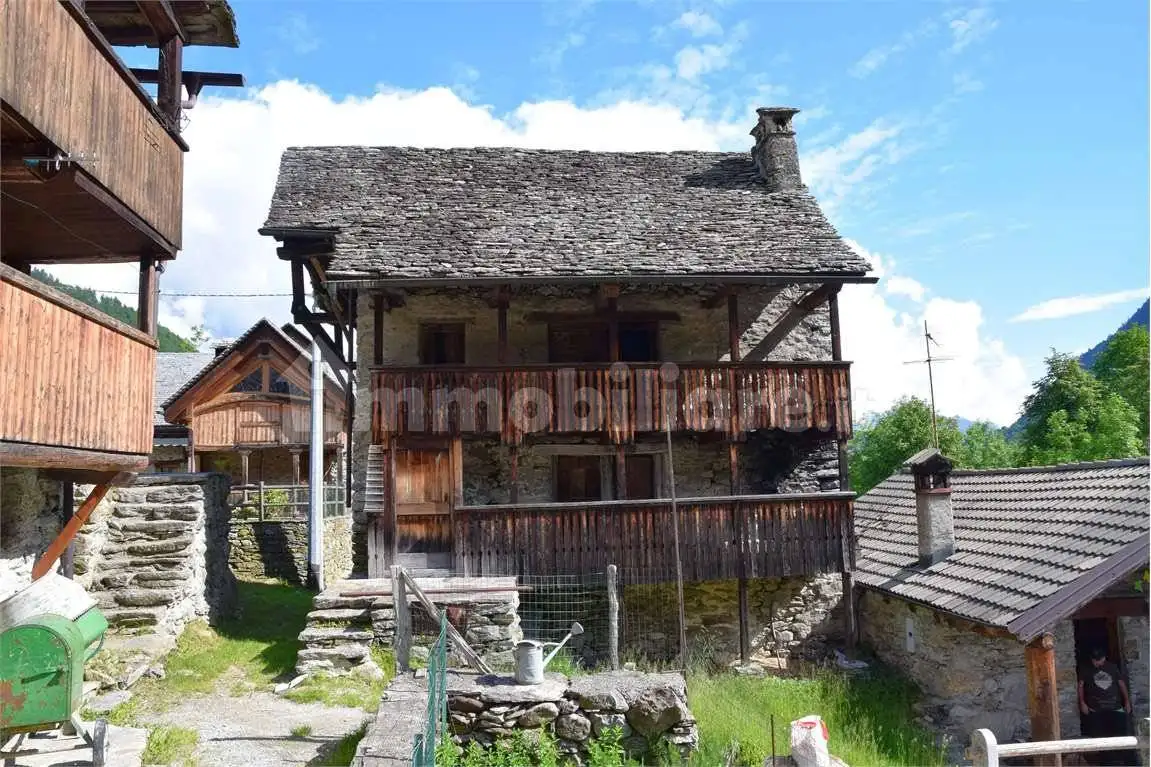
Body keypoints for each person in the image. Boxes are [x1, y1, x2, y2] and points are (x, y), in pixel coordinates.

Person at [1078, 646, 1133, 766]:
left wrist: (1127, 702)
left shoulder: (1112, 667)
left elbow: (1121, 684)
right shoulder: (1086, 669)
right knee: (1101, 738)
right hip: (1096, 710)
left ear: (1104, 658)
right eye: (1095, 660)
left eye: (1099, 660)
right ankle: (1107, 763)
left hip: (1115, 708)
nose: (1097, 662)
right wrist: (1082, 703)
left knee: (1121, 737)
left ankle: (1126, 763)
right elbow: (1081, 685)